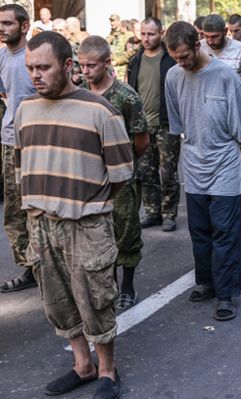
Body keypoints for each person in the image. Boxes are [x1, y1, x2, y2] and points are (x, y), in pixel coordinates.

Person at [17, 30, 133, 399]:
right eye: (31, 68)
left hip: (86, 225)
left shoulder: (102, 111)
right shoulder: (25, 109)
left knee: (95, 301)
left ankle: (108, 373)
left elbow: (120, 174)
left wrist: (87, 203)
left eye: (44, 67)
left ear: (67, 66)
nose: (36, 75)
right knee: (58, 302)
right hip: (40, 224)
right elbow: (25, 161)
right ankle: (83, 366)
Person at [164, 21, 241, 321]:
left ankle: (227, 293)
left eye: (185, 56)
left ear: (197, 45)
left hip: (225, 163)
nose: (182, 63)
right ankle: (207, 281)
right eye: (176, 58)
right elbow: (177, 121)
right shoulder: (173, 76)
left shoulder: (225, 74)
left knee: (226, 233)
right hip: (193, 162)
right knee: (200, 232)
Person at [78, 35, 149, 311]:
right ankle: (108, 286)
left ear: (108, 63)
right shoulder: (79, 93)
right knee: (95, 234)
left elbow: (141, 140)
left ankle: (128, 286)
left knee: (126, 232)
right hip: (89, 178)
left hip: (121, 179)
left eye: (91, 66)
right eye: (82, 65)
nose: (85, 71)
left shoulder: (126, 97)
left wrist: (123, 166)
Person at [127, 17, 179, 231]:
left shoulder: (170, 59)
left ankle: (169, 214)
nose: (146, 38)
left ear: (161, 33)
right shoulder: (135, 60)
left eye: (151, 34)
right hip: (142, 126)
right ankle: (152, 212)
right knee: (147, 173)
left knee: (168, 173)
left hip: (166, 124)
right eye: (143, 34)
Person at [0, 4, 37, 293]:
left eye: (8, 23)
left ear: (24, 26)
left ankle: (44, 268)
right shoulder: (1, 55)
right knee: (14, 213)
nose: (2, 28)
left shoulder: (34, 57)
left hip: (36, 144)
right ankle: (30, 269)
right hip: (9, 141)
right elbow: (6, 93)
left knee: (37, 208)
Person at [201, 14, 241, 96]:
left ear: (225, 31)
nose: (210, 41)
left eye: (214, 36)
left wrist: (234, 101)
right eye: (206, 36)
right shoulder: (199, 48)